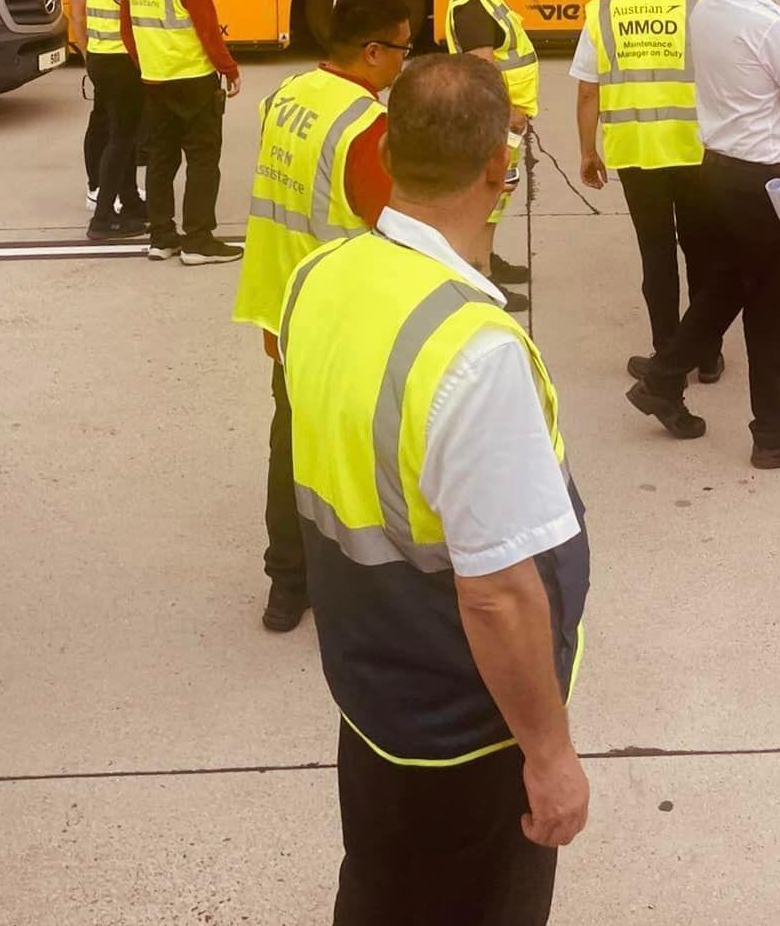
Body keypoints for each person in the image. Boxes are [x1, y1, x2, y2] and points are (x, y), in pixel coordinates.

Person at [280, 54, 590, 925]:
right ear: (500, 165)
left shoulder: (319, 279)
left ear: (390, 150)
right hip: (466, 725)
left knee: (380, 889)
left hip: (372, 691)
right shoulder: (474, 348)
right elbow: (497, 595)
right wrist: (550, 753)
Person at [626, 0, 780, 469]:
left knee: (724, 287)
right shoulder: (768, 22)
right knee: (772, 308)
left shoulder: (706, 8)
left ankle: (663, 376)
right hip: (761, 180)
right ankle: (772, 432)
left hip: (713, 170)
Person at [232, 0, 412, 635]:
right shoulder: (366, 124)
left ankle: (286, 583)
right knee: (357, 457)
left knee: (290, 442)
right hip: (340, 320)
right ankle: (361, 589)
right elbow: (389, 226)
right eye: (401, 48)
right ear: (371, 51)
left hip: (281, 305)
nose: (403, 63)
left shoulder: (287, 97)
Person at [572, 0, 723, 383]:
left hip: (634, 153)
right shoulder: (694, 8)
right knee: (702, 252)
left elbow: (587, 94)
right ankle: (707, 352)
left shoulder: (601, 14)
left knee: (656, 256)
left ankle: (667, 352)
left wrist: (587, 153)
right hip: (691, 150)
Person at [120, 0, 243, 265]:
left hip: (154, 79)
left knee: (160, 160)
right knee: (203, 159)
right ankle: (198, 240)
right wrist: (229, 69)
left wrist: (146, 63)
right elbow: (207, 28)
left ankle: (161, 237)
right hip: (193, 78)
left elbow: (127, 28)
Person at [446, 0, 537, 305]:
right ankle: (481, 276)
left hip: (502, 120)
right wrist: (510, 111)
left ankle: (487, 260)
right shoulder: (471, 3)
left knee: (497, 197)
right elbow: (482, 66)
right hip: (495, 120)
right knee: (487, 198)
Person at [68, 0, 147, 210]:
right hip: (112, 59)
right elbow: (78, 17)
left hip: (106, 58)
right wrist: (90, 57)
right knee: (109, 127)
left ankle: (125, 193)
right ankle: (98, 189)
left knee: (119, 127)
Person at [83, 0, 148, 243]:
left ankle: (132, 203)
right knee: (122, 139)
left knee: (121, 136)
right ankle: (103, 216)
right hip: (122, 64)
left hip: (99, 60)